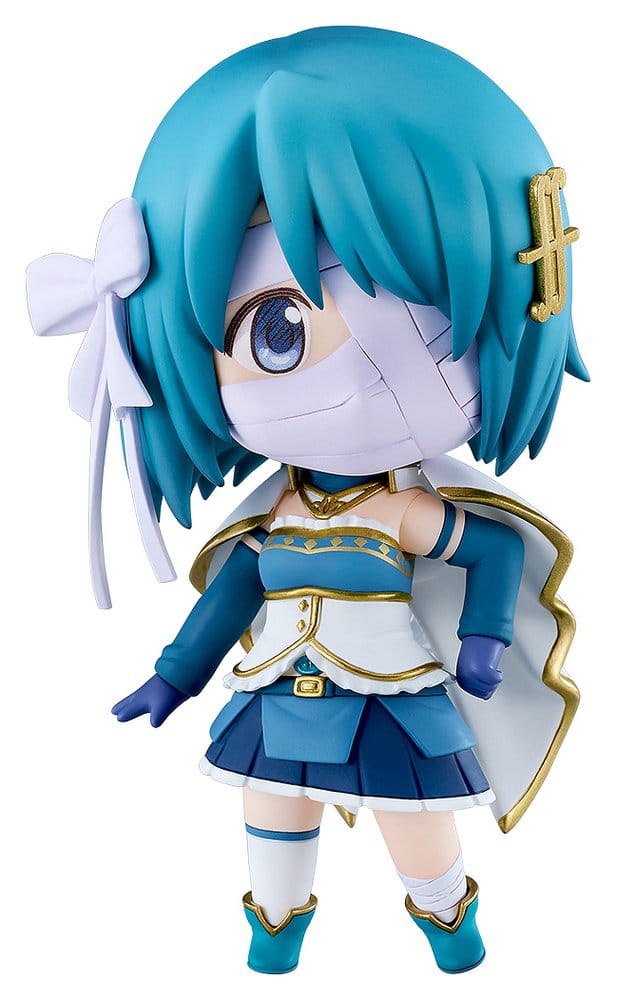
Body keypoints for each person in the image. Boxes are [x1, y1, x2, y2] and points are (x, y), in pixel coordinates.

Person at [27, 26, 586, 976]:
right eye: (277, 331)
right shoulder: (274, 520)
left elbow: (491, 550)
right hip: (281, 692)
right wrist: (173, 677)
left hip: (390, 697)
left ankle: (445, 919)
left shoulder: (399, 513)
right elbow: (227, 601)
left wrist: (485, 640)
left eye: (427, 316)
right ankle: (275, 929)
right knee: (270, 811)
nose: (366, 382)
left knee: (416, 824)